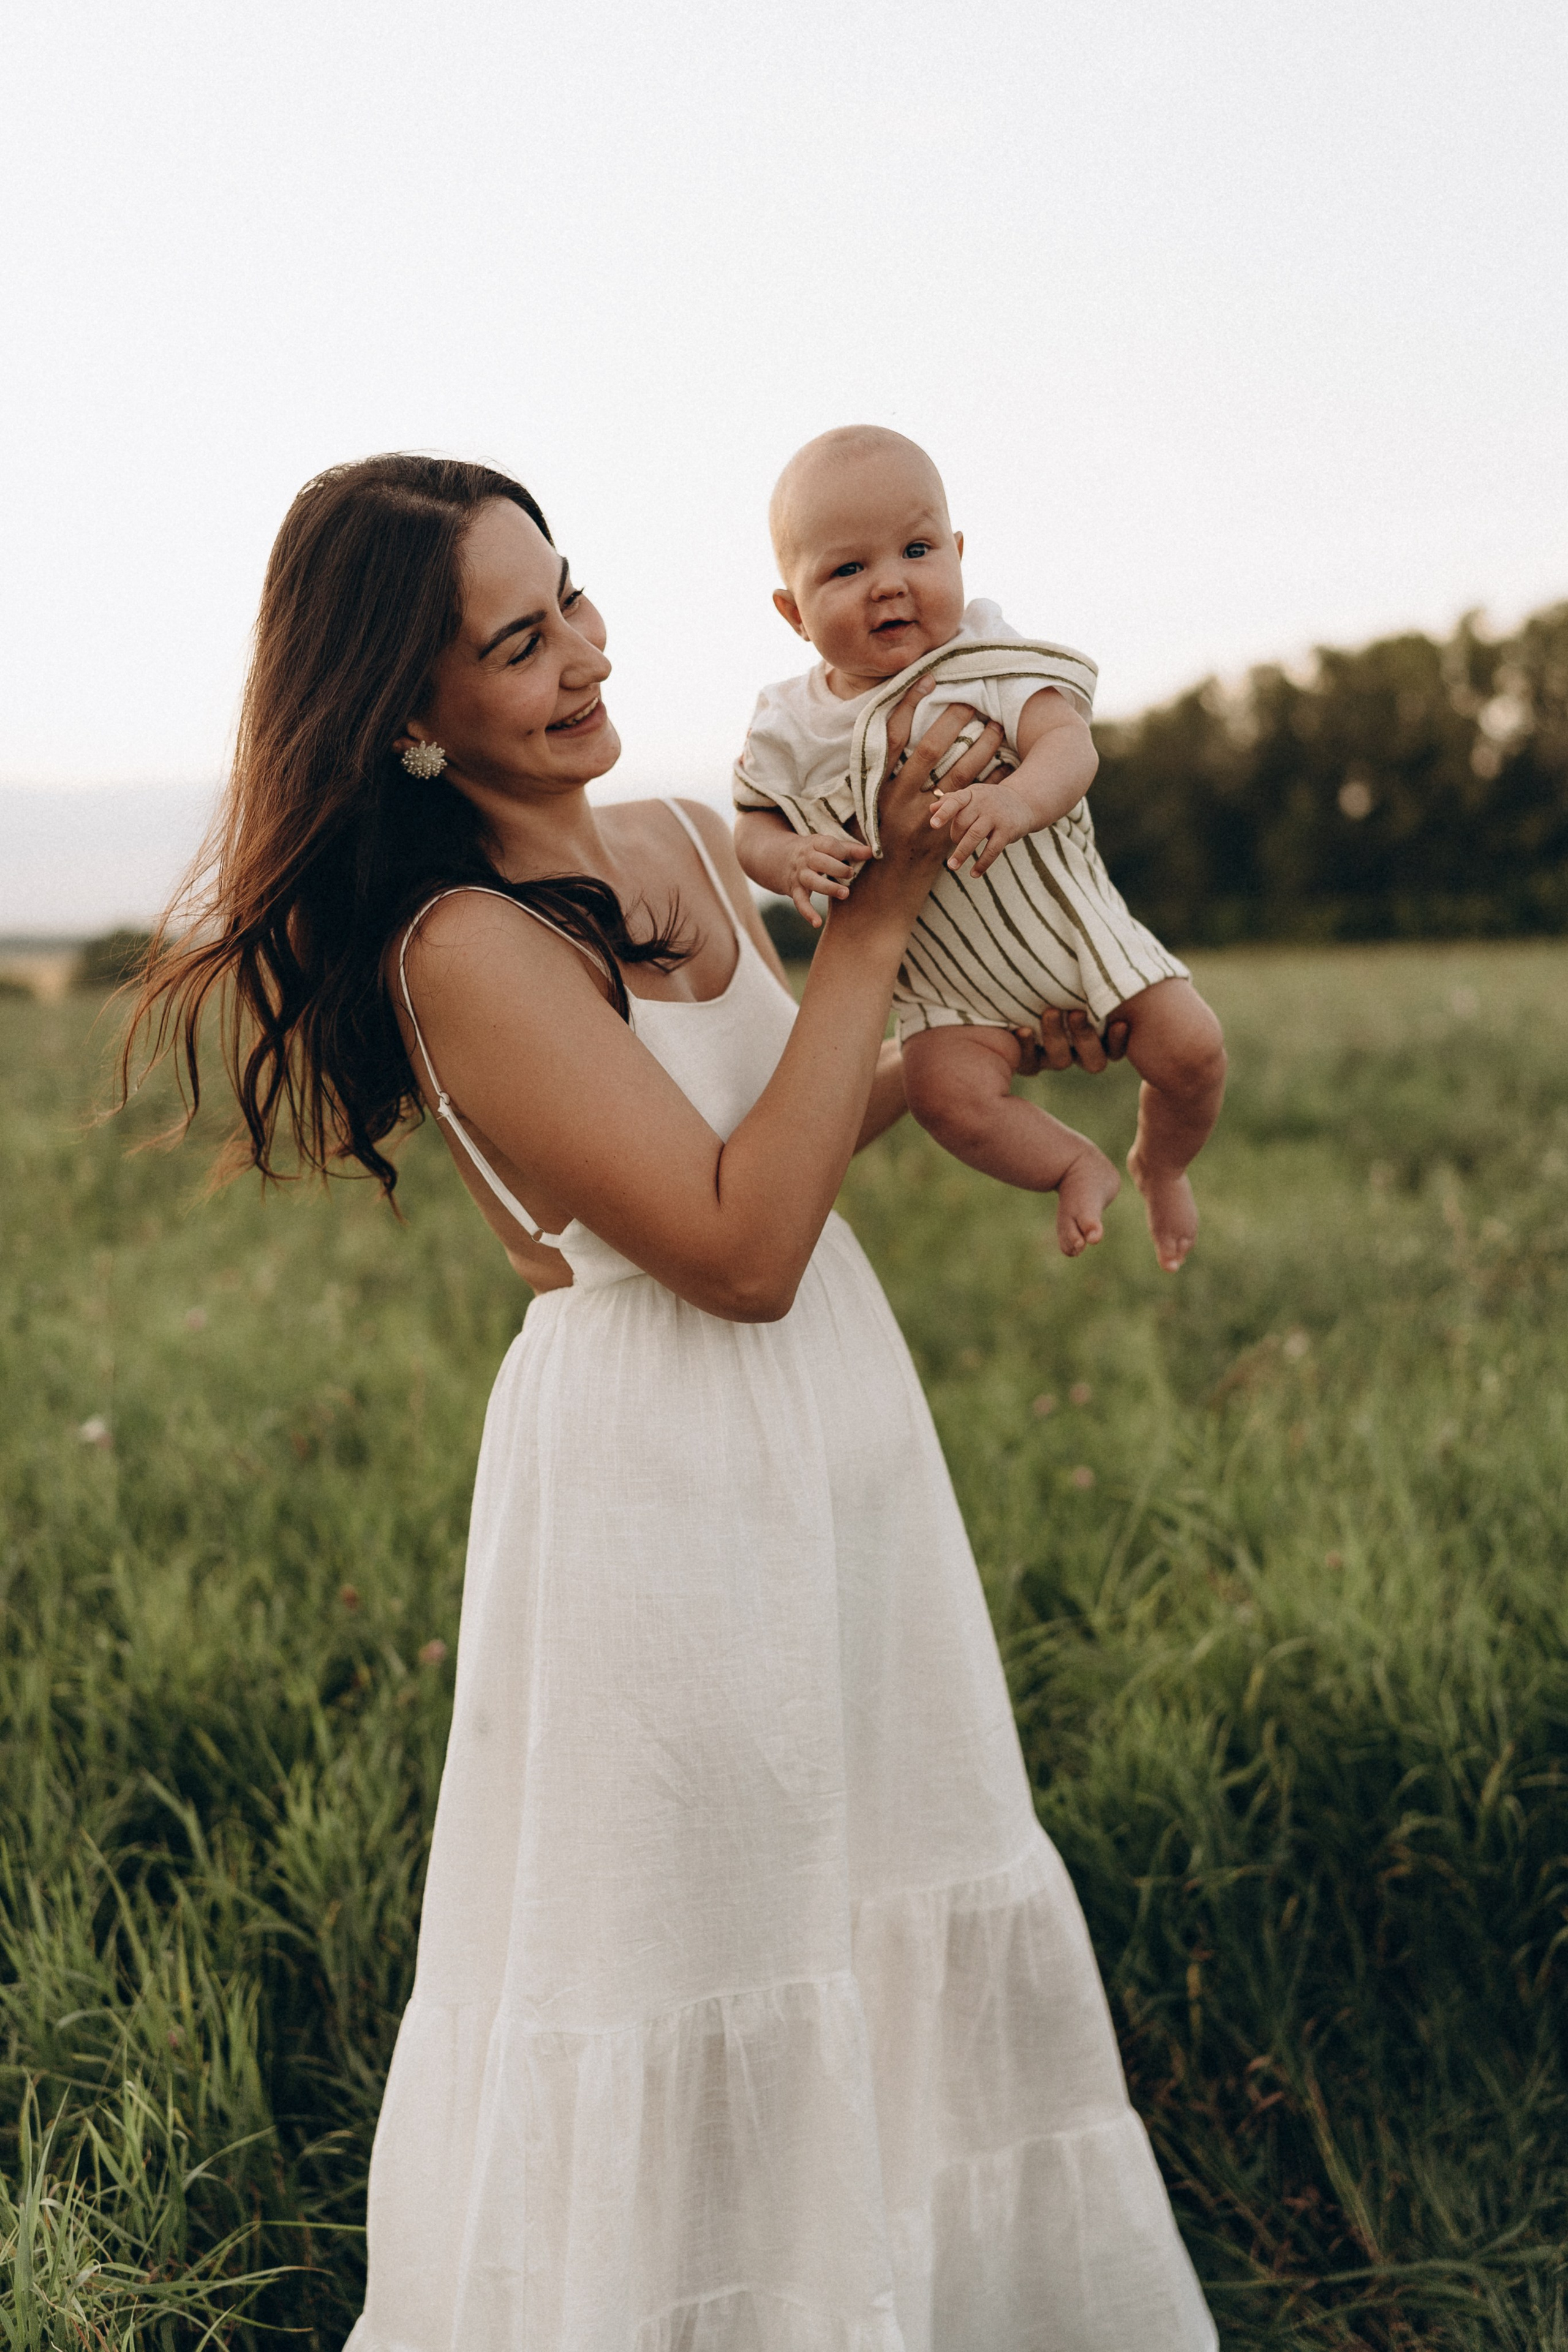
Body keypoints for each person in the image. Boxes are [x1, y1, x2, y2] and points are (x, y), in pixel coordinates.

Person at [127, 453, 1216, 2351]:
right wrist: (875, 930)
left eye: (576, 596)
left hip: (835, 1433)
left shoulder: (690, 837)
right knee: (710, 1946)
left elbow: (777, 1125)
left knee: (877, 1880)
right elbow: (735, 1244)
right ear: (403, 713)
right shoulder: (457, 947)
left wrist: (959, 1052)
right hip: (664, 1477)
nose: (581, 653)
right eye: (516, 639)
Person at [734, 425, 1227, 1270]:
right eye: (847, 570)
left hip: (1069, 929)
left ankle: (1164, 1160)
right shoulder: (789, 725)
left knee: (1192, 1048)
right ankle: (1074, 1161)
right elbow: (750, 823)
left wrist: (1017, 795)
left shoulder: (986, 660)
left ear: (958, 555)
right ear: (792, 610)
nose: (890, 582)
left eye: (918, 550)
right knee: (946, 1098)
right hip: (948, 985)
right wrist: (787, 860)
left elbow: (1070, 744)